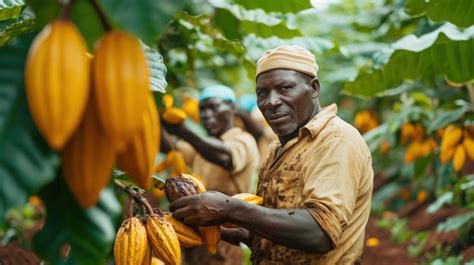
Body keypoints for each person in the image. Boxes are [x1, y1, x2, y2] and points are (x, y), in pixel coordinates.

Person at [169, 45, 374, 264]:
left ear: (313, 88)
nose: (271, 102)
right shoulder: (279, 147)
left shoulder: (336, 141)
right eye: (262, 93)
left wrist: (231, 209)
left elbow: (319, 234)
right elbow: (283, 224)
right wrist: (240, 232)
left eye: (285, 88)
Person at [161, 84, 260, 265]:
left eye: (213, 107)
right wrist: (155, 116)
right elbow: (171, 148)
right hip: (193, 233)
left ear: (232, 108)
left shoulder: (242, 140)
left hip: (225, 237)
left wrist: (182, 129)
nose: (206, 115)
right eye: (202, 110)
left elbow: (223, 157)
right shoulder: (202, 146)